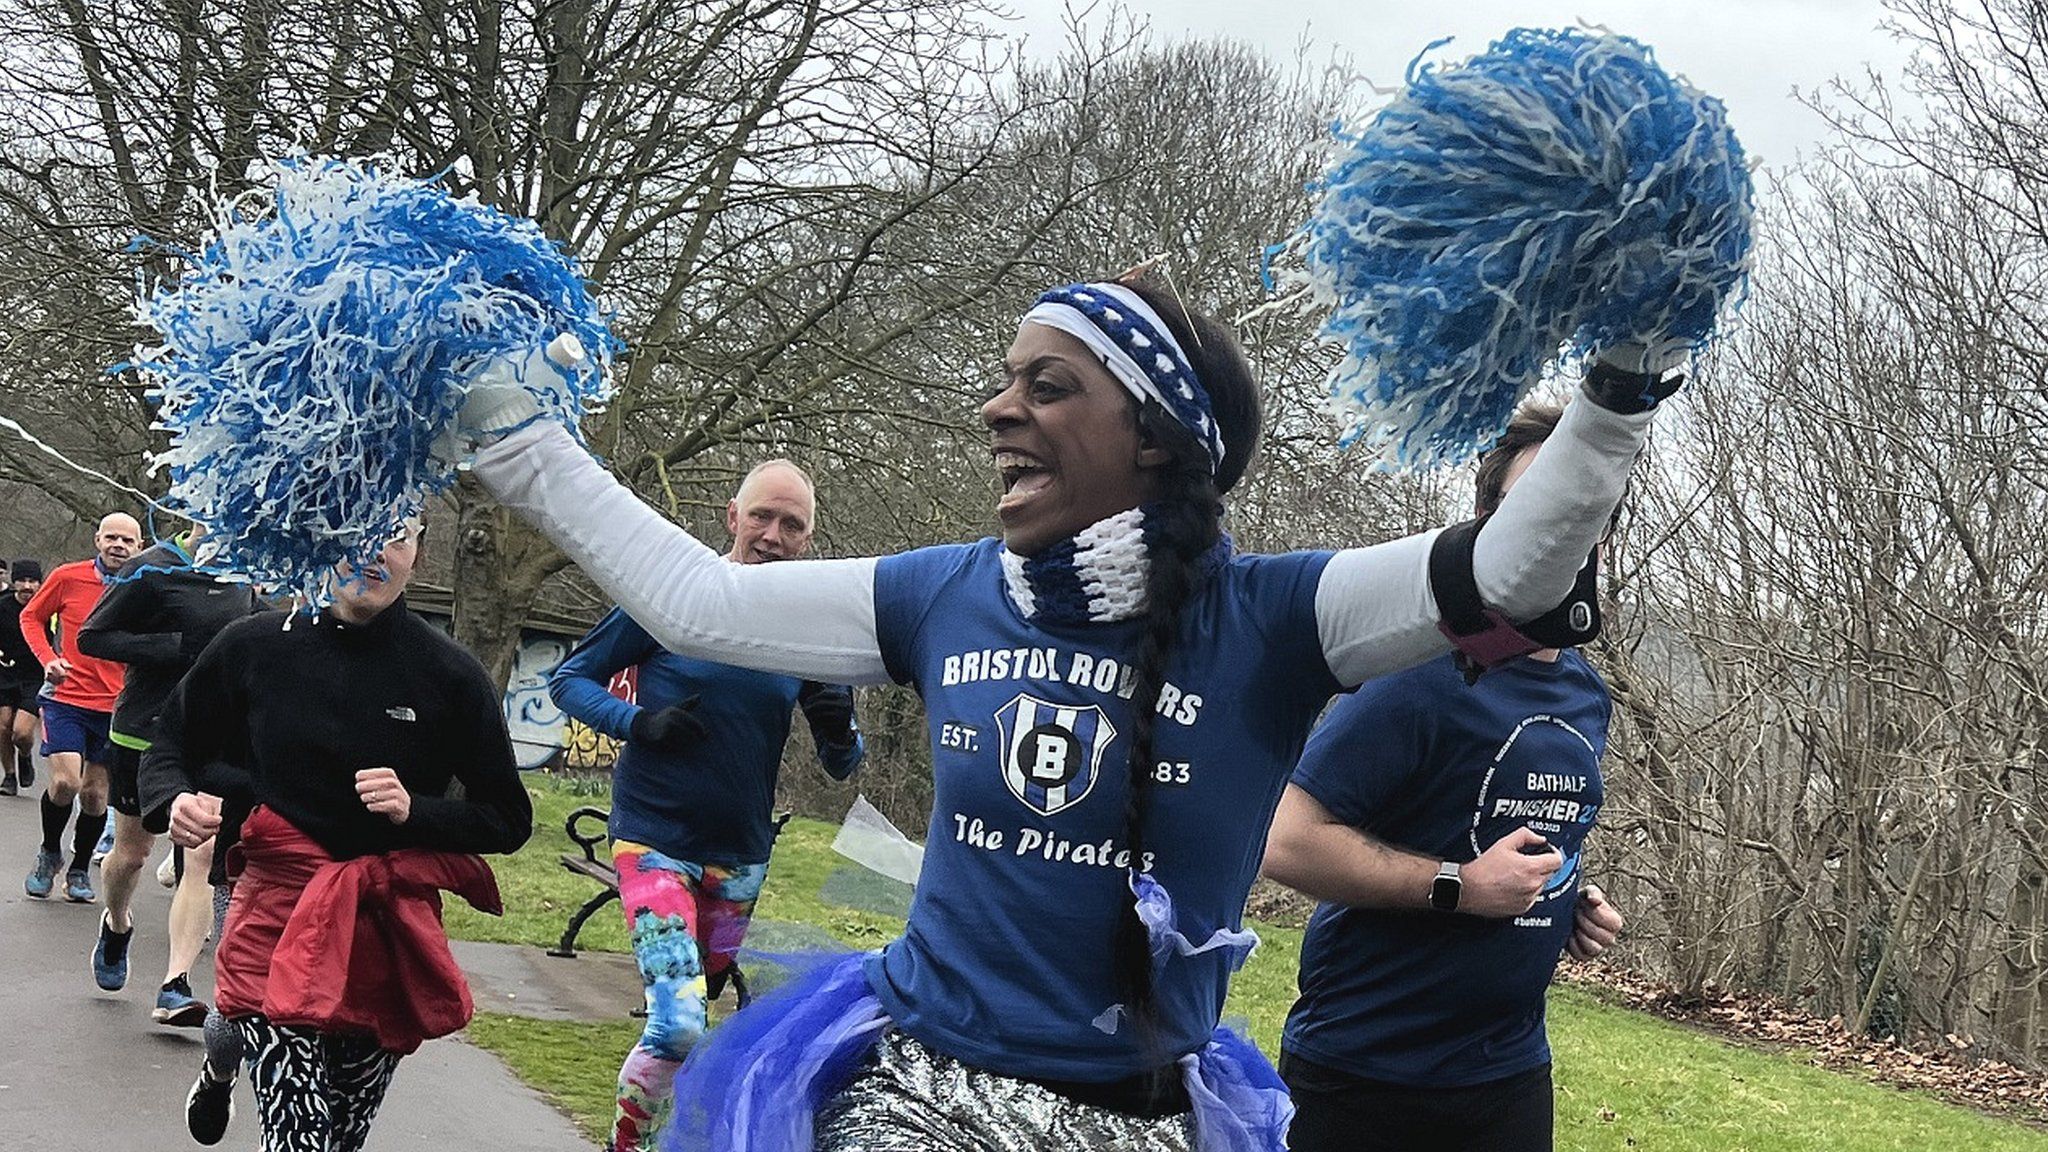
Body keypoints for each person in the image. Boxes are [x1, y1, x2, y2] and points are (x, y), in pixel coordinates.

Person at [463, 275, 1672, 1149]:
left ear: (1154, 437)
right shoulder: (941, 592)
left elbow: (1510, 566)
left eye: (1047, 386)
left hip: (1137, 1122)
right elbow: (708, 602)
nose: (998, 409)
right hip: (914, 1096)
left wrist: (1621, 386)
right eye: (1003, 382)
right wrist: (514, 440)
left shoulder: (1277, 618)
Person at [1263, 400, 1627, 1152]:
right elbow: (1286, 840)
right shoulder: (1421, 676)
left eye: (1587, 504)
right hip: (1365, 1073)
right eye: (1542, 502)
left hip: (1506, 1076)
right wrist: (1460, 887)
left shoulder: (1586, 694)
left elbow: (1517, 825)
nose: (1567, 526)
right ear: (1492, 522)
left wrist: (1564, 901)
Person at [141, 524, 533, 1152]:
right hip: (276, 908)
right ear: (321, 543)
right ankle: (227, 1050)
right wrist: (174, 799)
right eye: (358, 534)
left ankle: (220, 1055)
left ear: (418, 555)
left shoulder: (451, 674)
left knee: (339, 1138)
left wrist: (416, 812)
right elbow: (174, 742)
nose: (375, 552)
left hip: (382, 922)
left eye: (396, 538)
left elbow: (509, 820)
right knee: (300, 1139)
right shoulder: (255, 643)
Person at [548, 459, 866, 1152]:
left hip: (740, 864)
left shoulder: (805, 630)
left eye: (792, 524)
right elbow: (566, 680)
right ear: (731, 517)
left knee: (692, 1018)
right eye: (762, 516)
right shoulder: (674, 597)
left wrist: (839, 718)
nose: (773, 534)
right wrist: (638, 724)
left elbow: (844, 765)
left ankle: (661, 1134)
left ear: (808, 540)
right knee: (678, 1022)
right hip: (653, 842)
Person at [77, 526, 260, 1037]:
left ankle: (176, 983)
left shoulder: (247, 571)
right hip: (143, 731)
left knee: (199, 858)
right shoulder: (154, 566)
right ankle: (116, 925)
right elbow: (93, 636)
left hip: (208, 738)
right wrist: (177, 647)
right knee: (131, 856)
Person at [19, 513, 138, 901]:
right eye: (112, 538)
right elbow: (31, 617)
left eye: (127, 541)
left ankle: (79, 868)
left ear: (139, 548)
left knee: (95, 796)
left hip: (114, 705)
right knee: (65, 782)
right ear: (97, 540)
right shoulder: (68, 576)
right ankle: (49, 851)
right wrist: (46, 660)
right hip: (65, 698)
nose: (118, 546)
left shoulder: (144, 586)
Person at [0, 559, 45, 796]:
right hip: (5, 673)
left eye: (32, 581)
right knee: (3, 726)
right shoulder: (3, 606)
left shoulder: (47, 608)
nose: (27, 586)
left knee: (22, 732)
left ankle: (25, 756)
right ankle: (9, 776)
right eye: (22, 581)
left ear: (40, 583)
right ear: (13, 581)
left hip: (34, 676)